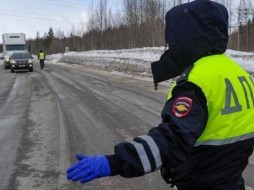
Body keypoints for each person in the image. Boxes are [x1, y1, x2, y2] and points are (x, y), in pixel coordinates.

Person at [66, 0, 254, 189]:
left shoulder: (197, 81)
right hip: (231, 181)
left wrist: (114, 162)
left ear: (186, 37)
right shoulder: (240, 74)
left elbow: (170, 142)